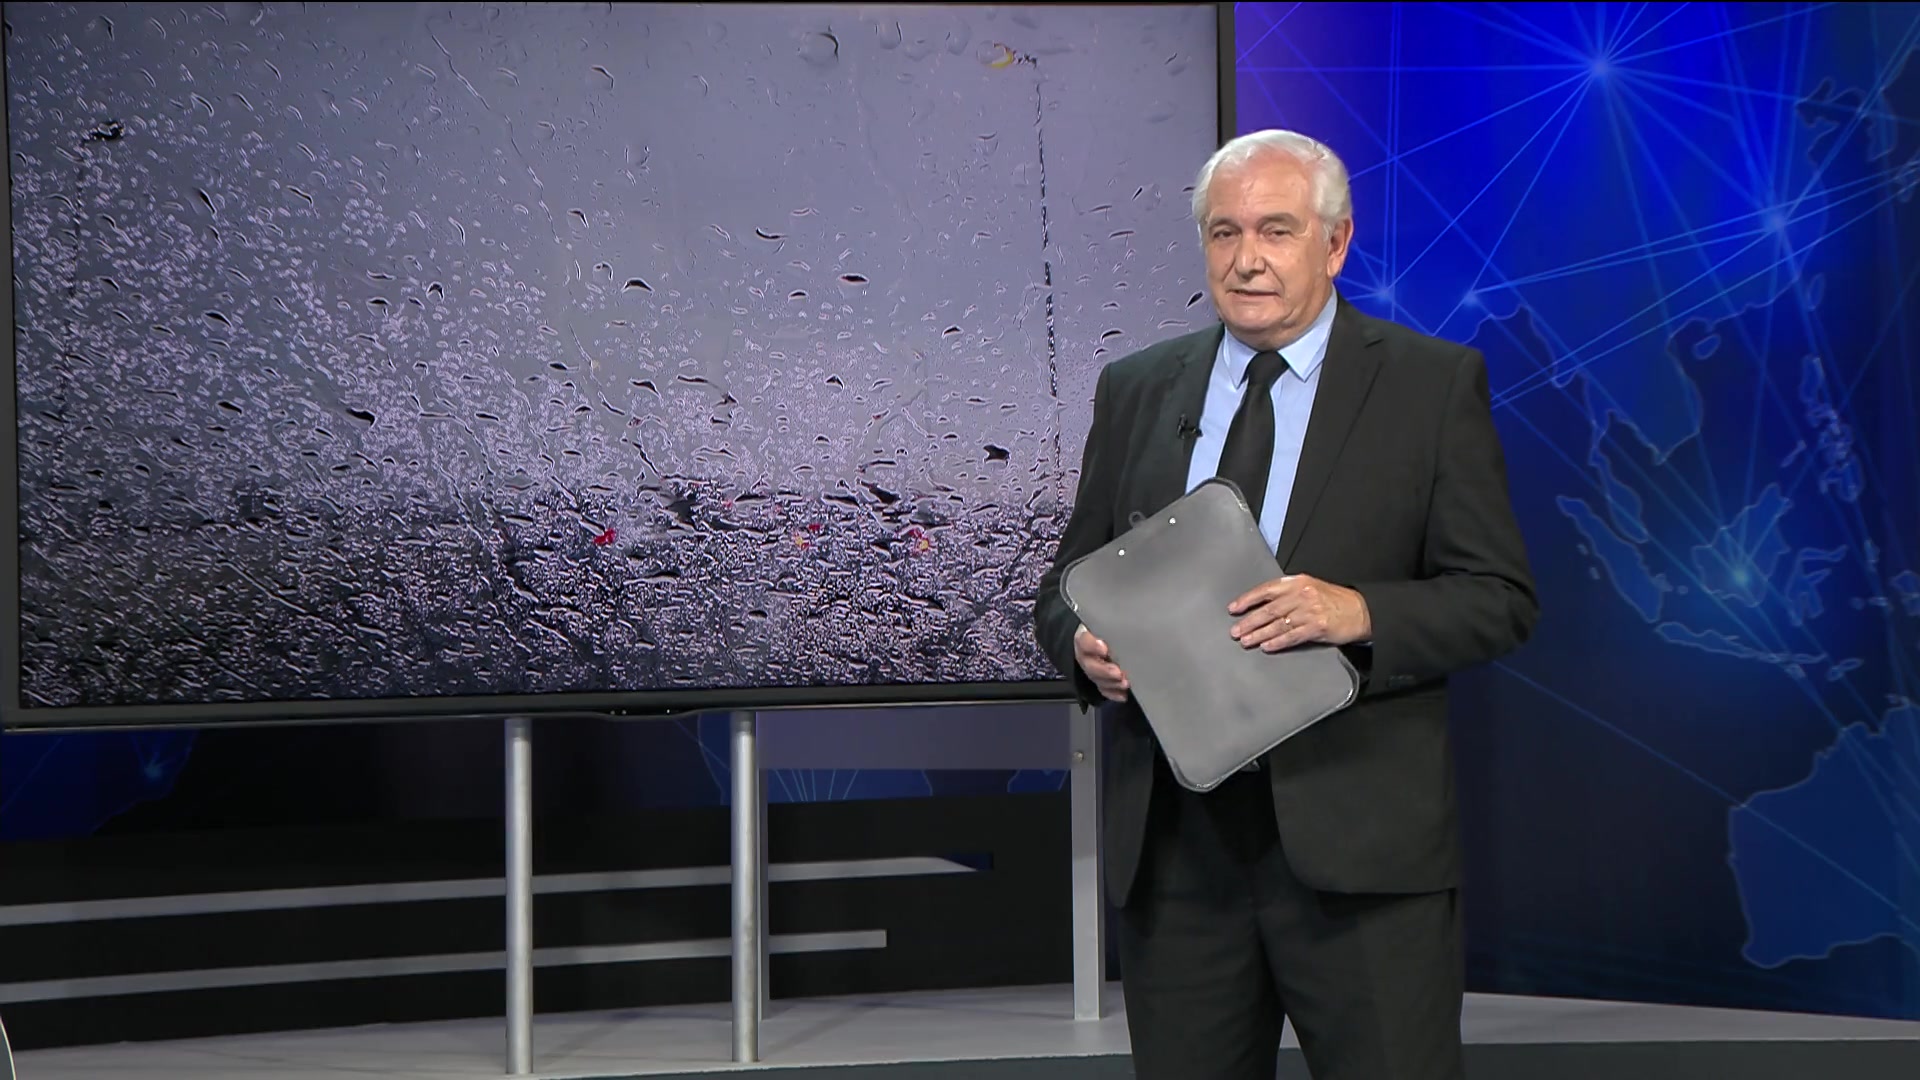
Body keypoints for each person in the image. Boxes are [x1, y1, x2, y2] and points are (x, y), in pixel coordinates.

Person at [1033, 128, 1538, 1080]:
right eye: (1224, 233)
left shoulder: (1429, 386)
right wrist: (1085, 646)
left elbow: (1499, 599)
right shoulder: (1136, 390)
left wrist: (1359, 613)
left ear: (1335, 243)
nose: (1246, 259)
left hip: (1361, 855)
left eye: (1276, 230)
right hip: (1178, 859)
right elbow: (1068, 586)